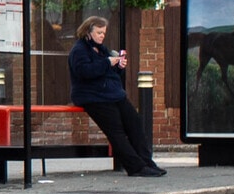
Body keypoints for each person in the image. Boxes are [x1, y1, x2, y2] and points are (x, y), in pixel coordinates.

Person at [69, 16, 164, 177]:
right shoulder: (79, 50)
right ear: (88, 32)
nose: (102, 36)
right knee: (116, 131)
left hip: (113, 94)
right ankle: (136, 167)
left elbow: (109, 73)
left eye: (103, 33)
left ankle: (146, 162)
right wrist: (108, 62)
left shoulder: (101, 49)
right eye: (99, 32)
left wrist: (118, 66)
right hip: (93, 97)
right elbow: (85, 72)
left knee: (135, 123)